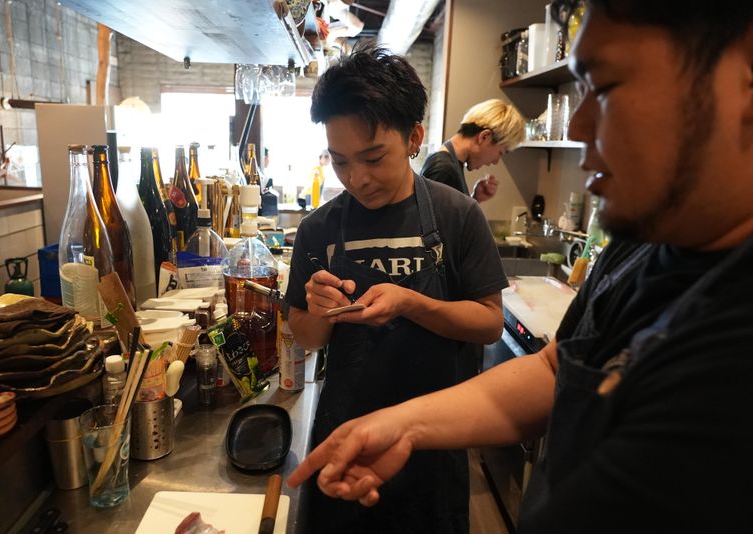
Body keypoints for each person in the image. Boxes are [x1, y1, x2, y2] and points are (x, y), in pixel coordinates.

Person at [287, 1, 753, 532]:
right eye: (341, 161)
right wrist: (403, 424)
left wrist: (413, 307)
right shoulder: (637, 249)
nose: (579, 126)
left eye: (605, 87)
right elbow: (556, 370)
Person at [284, 42, 508, 533]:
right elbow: (306, 337)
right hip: (346, 439)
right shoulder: (318, 229)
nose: (357, 179)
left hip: (434, 443)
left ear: (414, 138)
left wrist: (410, 303)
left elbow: (490, 323)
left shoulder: (457, 215)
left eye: (372, 158)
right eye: (340, 161)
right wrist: (319, 312)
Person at [421, 99, 525, 202]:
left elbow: (448, 211)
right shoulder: (444, 170)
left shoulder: (448, 164)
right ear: (484, 137)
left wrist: (475, 199)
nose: (496, 161)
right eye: (500, 152)